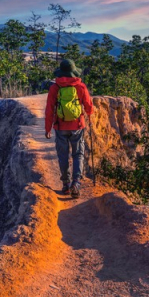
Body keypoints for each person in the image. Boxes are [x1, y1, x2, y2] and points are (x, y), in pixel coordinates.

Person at [45, 59, 94, 198]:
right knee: (78, 154)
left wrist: (48, 129)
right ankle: (76, 183)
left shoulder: (55, 88)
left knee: (63, 155)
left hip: (60, 127)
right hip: (77, 126)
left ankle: (65, 185)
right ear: (73, 72)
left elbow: (49, 110)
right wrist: (89, 115)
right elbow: (89, 107)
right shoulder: (81, 87)